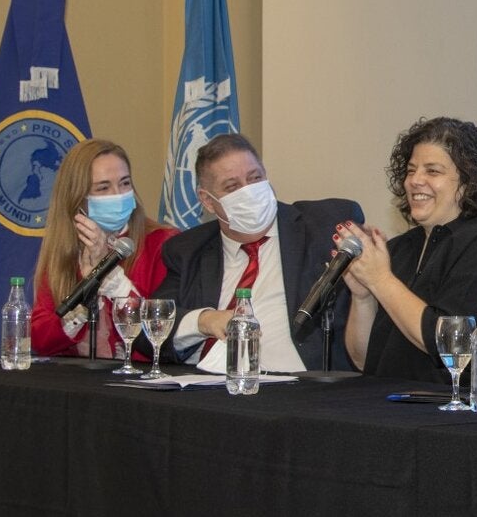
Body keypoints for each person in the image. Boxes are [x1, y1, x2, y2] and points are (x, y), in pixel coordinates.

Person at [340, 117, 477, 386]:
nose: (415, 181)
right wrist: (363, 296)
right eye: (411, 170)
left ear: (468, 183)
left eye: (432, 171)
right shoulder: (399, 249)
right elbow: (364, 360)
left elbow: (453, 345)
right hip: (394, 402)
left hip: (474, 406)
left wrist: (380, 279)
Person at [151, 133, 364, 372]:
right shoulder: (188, 249)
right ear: (207, 201)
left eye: (255, 178)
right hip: (210, 385)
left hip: (299, 384)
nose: (248, 192)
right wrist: (204, 321)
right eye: (232, 187)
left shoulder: (325, 224)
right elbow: (150, 327)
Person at [31, 139, 178, 358]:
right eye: (103, 187)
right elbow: (40, 339)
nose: (118, 194)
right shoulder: (65, 250)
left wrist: (110, 275)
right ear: (78, 199)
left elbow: (162, 329)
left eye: (125, 183)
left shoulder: (164, 243)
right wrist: (80, 309)